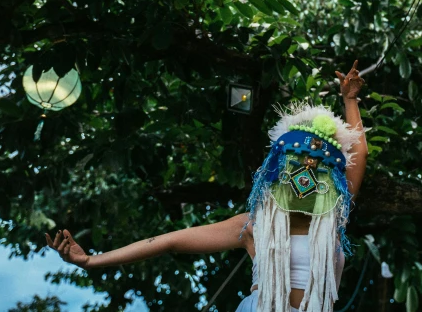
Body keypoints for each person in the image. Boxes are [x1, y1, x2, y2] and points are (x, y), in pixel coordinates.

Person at [46, 61, 368, 312]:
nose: (305, 176)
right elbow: (169, 241)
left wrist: (349, 100)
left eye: (315, 169)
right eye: (297, 166)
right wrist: (91, 261)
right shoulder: (255, 226)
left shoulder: (333, 219)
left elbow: (359, 153)